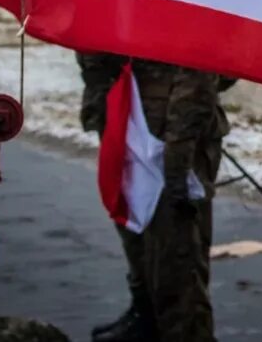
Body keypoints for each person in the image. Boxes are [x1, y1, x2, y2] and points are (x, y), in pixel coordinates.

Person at [77, 53, 227, 342]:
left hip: (171, 132)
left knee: (177, 262)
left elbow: (204, 69)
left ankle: (184, 332)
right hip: (128, 116)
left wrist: (178, 155)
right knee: (139, 239)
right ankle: (147, 318)